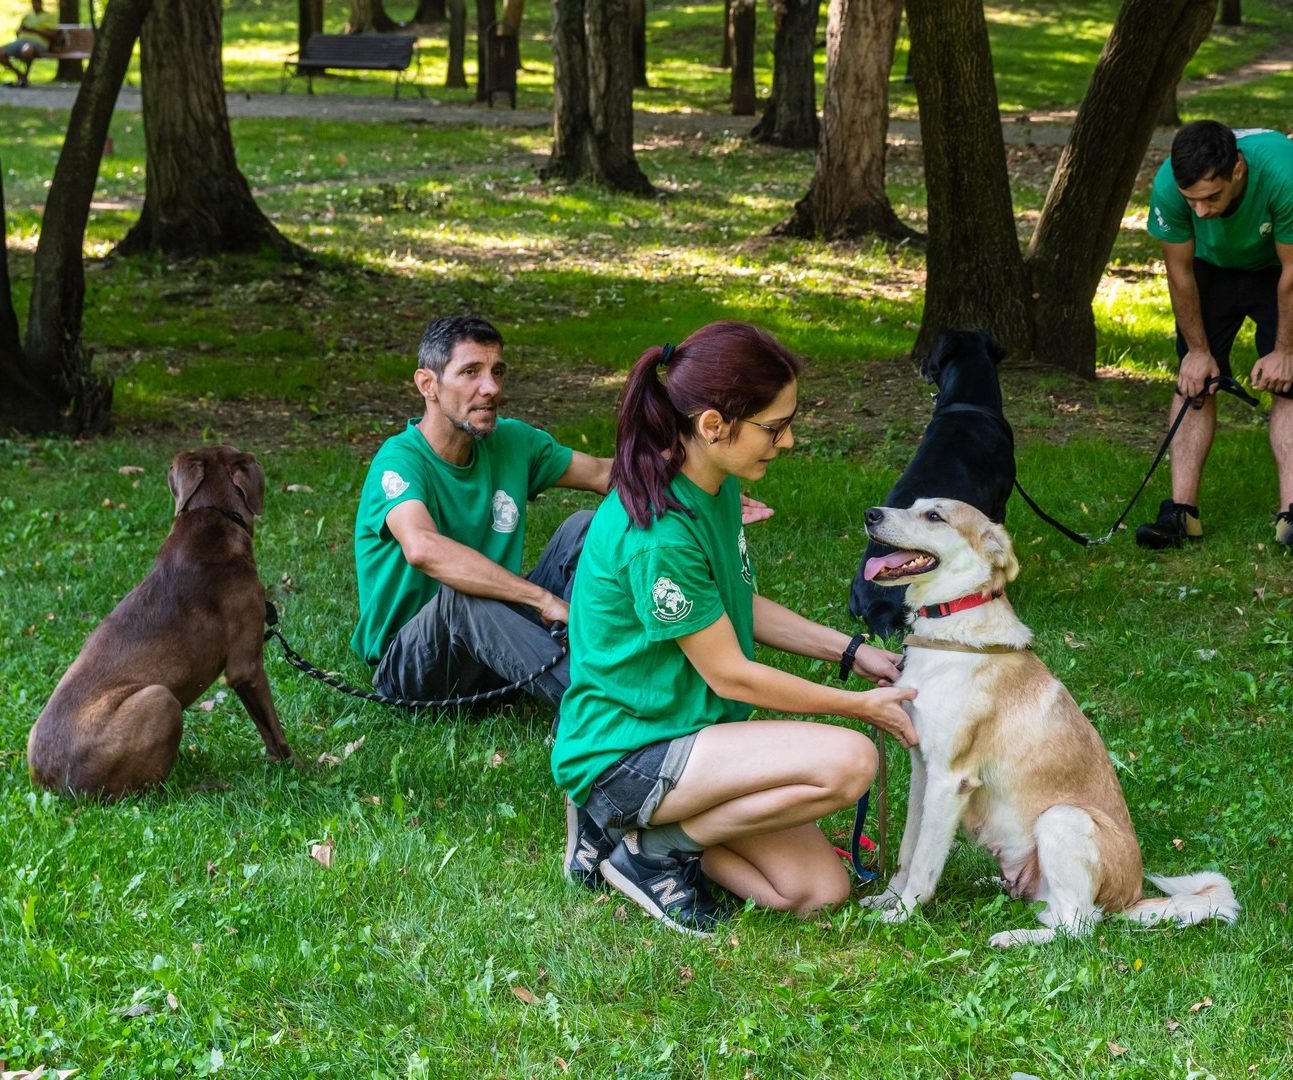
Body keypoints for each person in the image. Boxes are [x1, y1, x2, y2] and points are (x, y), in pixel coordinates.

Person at [551, 321, 919, 937]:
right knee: (851, 760)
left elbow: (734, 605)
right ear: (713, 425)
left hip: (694, 739)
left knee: (815, 891)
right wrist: (858, 707)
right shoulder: (660, 535)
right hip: (628, 754)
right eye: (775, 427)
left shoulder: (712, 484)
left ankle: (640, 837)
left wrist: (851, 651)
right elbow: (731, 674)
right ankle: (646, 850)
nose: (788, 440)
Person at [350, 315, 611, 707]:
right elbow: (423, 548)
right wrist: (541, 599)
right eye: (470, 372)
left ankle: (600, 658)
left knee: (585, 528)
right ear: (427, 384)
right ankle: (598, 703)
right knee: (460, 599)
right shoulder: (398, 462)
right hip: (416, 665)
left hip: (498, 644)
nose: (491, 388)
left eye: (497, 372)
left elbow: (607, 474)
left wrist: (697, 472)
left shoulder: (514, 441)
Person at [1138, 120, 1293, 550]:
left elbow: (1292, 274)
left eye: (1212, 197)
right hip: (1210, 267)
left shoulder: (1283, 173)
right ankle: (1181, 514)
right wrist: (1197, 351)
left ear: (1237, 170)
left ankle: (1291, 515)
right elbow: (1179, 272)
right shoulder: (1169, 185)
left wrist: (1285, 350)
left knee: (1290, 380)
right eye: (1192, 201)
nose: (1201, 211)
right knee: (1195, 381)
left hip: (1278, 267)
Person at [1, 0, 59, 87]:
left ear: (40, 3)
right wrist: (21, 30)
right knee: (1, 52)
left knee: (27, 50)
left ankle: (25, 76)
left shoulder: (49, 16)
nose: (34, 5)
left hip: (38, 43)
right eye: (33, 3)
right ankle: (20, 75)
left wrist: (33, 30)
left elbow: (53, 34)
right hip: (21, 41)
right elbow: (19, 31)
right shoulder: (28, 16)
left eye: (36, 3)